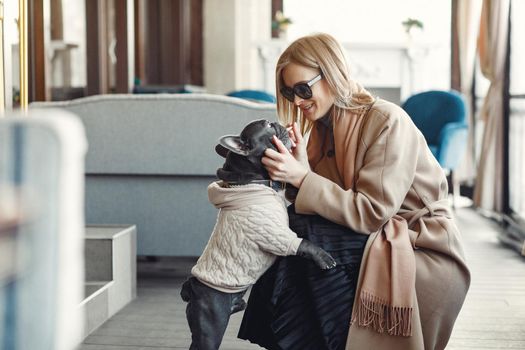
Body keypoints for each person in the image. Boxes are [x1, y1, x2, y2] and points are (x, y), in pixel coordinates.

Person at [238, 33, 470, 350]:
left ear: (332, 73)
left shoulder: (387, 119)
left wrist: (304, 178)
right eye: (288, 92)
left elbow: (371, 213)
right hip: (370, 234)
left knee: (301, 237)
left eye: (303, 89)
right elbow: (323, 205)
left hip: (418, 241)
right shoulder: (320, 128)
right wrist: (298, 174)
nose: (296, 101)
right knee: (288, 235)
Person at [180, 119, 336, 350]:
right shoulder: (250, 206)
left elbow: (282, 201)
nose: (278, 127)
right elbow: (278, 238)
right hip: (215, 292)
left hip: (221, 290)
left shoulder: (251, 193)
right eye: (271, 129)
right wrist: (313, 251)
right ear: (246, 151)